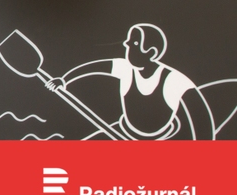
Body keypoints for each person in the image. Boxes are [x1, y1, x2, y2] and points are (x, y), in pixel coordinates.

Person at [46, 23, 215, 140]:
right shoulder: (125, 68)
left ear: (151, 52)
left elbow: (201, 117)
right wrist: (64, 80)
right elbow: (94, 67)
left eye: (134, 43)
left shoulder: (173, 80)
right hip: (124, 132)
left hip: (162, 138)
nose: (127, 46)